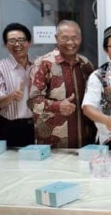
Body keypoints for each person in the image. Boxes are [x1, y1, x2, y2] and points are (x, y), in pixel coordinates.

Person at [28, 20, 96, 148]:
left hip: (85, 141)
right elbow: (32, 102)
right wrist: (57, 106)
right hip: (52, 142)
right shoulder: (43, 64)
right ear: (56, 38)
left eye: (74, 38)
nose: (70, 43)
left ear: (80, 38)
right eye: (65, 38)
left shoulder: (86, 64)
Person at [0, 23, 35, 147]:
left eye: (21, 40)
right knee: (13, 165)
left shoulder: (38, 64)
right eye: (12, 41)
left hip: (38, 125)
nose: (17, 44)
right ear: (5, 44)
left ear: (29, 42)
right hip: (12, 127)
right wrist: (12, 96)